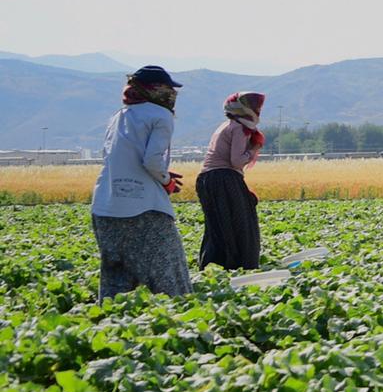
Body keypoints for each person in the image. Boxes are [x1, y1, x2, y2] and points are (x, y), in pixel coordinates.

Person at [89, 66, 192, 300]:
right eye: (167, 88)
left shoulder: (118, 116)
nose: (171, 94)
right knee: (171, 280)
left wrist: (158, 173)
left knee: (116, 283)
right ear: (154, 89)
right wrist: (166, 181)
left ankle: (111, 321)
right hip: (143, 209)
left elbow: (120, 158)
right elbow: (152, 161)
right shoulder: (161, 115)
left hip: (105, 208)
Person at [196, 92, 266, 270]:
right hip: (224, 178)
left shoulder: (227, 125)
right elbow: (236, 160)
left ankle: (213, 267)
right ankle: (241, 266)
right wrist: (253, 149)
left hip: (209, 179)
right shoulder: (239, 128)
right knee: (242, 225)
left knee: (218, 227)